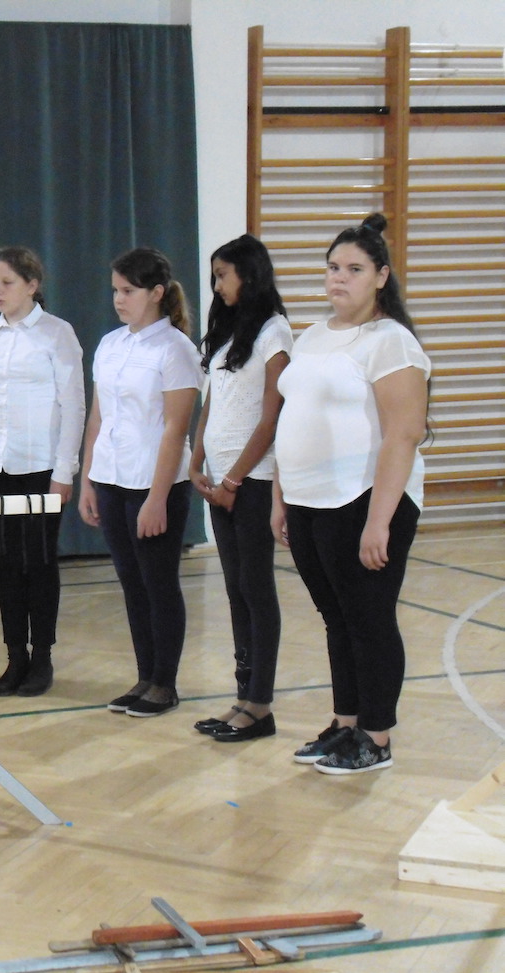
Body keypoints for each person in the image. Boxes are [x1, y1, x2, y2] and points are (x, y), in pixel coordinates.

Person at [272, 213, 431, 774]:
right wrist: (281, 497)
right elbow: (292, 417)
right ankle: (345, 725)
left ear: (381, 276)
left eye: (354, 269)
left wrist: (379, 521)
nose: (339, 278)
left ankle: (376, 737)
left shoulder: (391, 343)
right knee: (336, 617)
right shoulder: (313, 336)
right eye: (333, 267)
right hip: (309, 501)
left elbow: (404, 434)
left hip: (364, 500)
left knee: (369, 618)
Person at [79, 247, 201, 717]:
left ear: (156, 293)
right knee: (132, 584)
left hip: (155, 483)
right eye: (115, 290)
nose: (118, 299)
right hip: (111, 477)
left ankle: (165, 684)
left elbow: (175, 428)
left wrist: (157, 497)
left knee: (158, 583)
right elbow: (98, 417)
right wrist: (89, 480)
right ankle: (144, 676)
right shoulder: (110, 344)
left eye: (128, 291)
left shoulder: (176, 349)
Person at [0, 246, 85, 697]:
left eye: (7, 283)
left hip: (40, 466)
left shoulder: (57, 333)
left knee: (39, 561)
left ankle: (42, 656)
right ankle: (15, 654)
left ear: (32, 285)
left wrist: (64, 471)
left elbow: (73, 405)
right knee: (7, 564)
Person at [188, 235, 293, 742]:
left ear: (248, 275)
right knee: (234, 588)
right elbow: (213, 403)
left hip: (252, 480)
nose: (217, 286)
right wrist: (196, 460)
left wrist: (234, 479)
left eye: (222, 275)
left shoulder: (275, 332)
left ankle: (261, 704)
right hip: (220, 480)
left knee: (255, 586)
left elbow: (272, 416)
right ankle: (242, 696)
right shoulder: (228, 333)